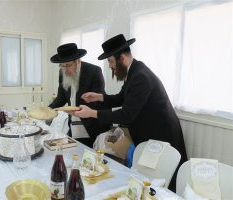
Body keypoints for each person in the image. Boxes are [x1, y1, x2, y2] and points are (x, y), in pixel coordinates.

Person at [72, 34, 187, 191]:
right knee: (148, 182)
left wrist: (92, 113)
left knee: (163, 183)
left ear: (123, 58)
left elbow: (126, 114)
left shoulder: (140, 77)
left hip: (162, 134)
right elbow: (121, 97)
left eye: (111, 62)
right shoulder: (133, 71)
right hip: (150, 132)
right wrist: (99, 96)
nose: (110, 67)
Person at [49, 43, 110, 147]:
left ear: (77, 61)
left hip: (93, 126)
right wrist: (47, 110)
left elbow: (97, 102)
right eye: (62, 66)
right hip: (74, 126)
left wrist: (75, 110)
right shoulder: (62, 72)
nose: (65, 69)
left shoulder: (94, 71)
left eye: (68, 65)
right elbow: (61, 99)